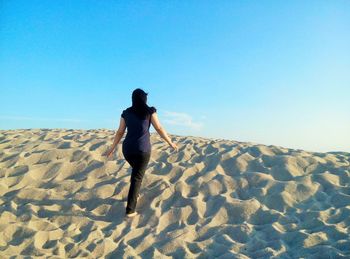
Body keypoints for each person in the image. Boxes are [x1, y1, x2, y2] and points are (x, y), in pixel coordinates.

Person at [105, 88, 178, 218]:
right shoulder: (149, 111)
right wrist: (170, 143)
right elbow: (159, 128)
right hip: (142, 150)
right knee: (137, 178)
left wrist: (112, 147)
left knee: (137, 174)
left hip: (127, 150)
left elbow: (120, 132)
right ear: (144, 99)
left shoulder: (126, 113)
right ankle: (130, 210)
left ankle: (134, 194)